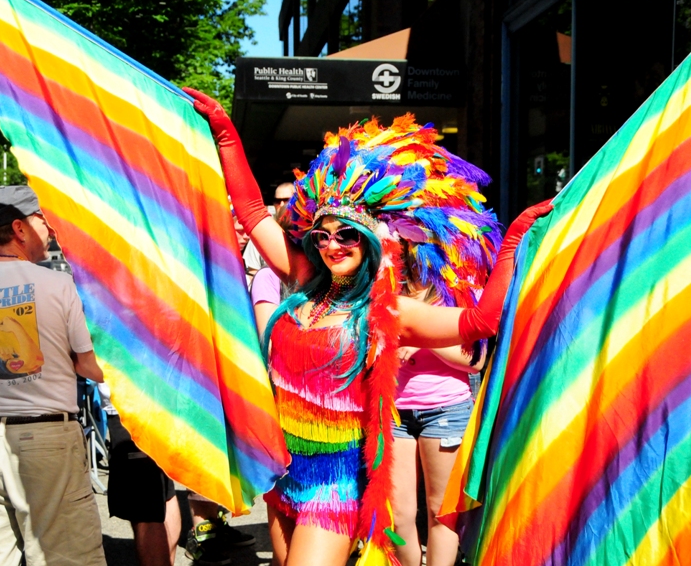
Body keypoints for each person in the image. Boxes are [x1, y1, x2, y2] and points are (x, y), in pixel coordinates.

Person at [186, 87, 552, 566]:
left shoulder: (388, 309)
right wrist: (224, 132)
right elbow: (253, 212)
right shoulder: (302, 279)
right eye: (321, 234)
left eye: (347, 234)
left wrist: (515, 240)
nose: (332, 245)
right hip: (284, 472)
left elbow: (480, 321)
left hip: (336, 484)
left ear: (372, 240)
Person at [0, 185, 106, 566]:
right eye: (43, 219)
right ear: (19, 229)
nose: (51, 228)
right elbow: (90, 367)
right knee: (67, 557)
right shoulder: (58, 284)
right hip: (47, 442)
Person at [391, 279, 485, 566]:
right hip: (394, 412)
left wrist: (420, 337)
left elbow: (475, 360)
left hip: (446, 411)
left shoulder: (458, 287)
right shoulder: (387, 283)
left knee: (439, 510)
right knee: (398, 515)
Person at [99, 383, 182, 566]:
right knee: (163, 495)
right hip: (155, 401)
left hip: (132, 405)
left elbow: (86, 364)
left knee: (146, 512)